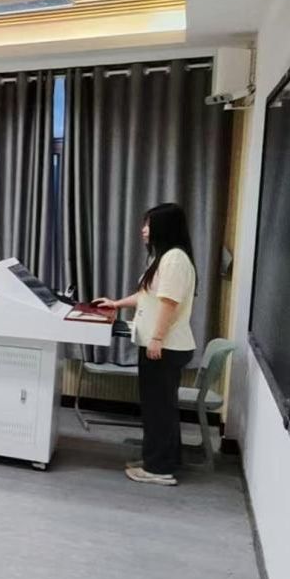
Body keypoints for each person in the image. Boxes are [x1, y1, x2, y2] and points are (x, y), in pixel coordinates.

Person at [97, 202, 197, 487]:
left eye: (148, 225)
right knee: (161, 407)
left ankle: (159, 469)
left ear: (164, 227)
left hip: (165, 347)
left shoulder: (174, 259)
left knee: (158, 410)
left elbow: (169, 303)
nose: (143, 230)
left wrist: (157, 338)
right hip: (163, 345)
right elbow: (146, 296)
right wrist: (116, 304)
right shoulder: (164, 257)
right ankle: (163, 459)